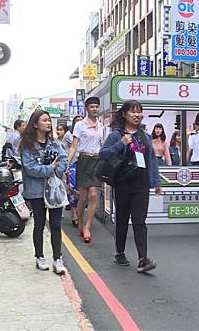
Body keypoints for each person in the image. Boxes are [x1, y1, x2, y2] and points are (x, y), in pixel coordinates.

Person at [99, 100, 161, 273]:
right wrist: (121, 143)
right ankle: (120, 252)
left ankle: (143, 258)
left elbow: (152, 160)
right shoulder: (116, 134)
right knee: (122, 220)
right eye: (133, 112)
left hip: (141, 184)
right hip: (123, 183)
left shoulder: (145, 136)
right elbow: (103, 154)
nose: (137, 115)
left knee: (140, 222)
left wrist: (156, 182)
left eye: (139, 112)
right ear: (124, 114)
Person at [20, 109, 68, 275]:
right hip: (36, 191)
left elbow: (63, 160)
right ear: (35, 124)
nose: (48, 123)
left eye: (49, 120)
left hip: (54, 190)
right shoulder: (27, 145)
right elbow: (30, 168)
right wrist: (50, 168)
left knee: (56, 225)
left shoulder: (55, 143)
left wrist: (55, 170)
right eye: (44, 120)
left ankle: (57, 258)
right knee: (39, 224)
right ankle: (39, 256)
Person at [67, 97, 104, 243]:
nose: (95, 109)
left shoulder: (101, 126)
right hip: (83, 160)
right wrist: (68, 163)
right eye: (92, 106)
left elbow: (102, 143)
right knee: (83, 196)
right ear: (87, 108)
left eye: (96, 106)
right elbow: (74, 146)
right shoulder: (80, 125)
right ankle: (80, 222)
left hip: (97, 160)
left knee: (93, 194)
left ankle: (88, 226)